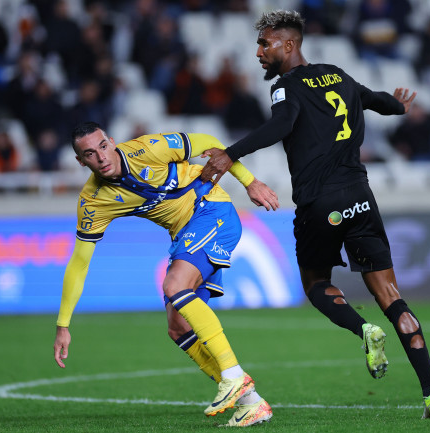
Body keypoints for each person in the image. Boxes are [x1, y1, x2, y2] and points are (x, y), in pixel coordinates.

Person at [200, 10, 430, 418]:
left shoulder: (285, 87)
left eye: (265, 44)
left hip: (320, 203)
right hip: (361, 197)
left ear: (289, 45)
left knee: (316, 283)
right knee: (390, 294)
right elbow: (377, 101)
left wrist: (230, 154)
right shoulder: (338, 75)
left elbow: (281, 125)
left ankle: (362, 328)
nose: (259, 52)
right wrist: (400, 107)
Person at [52, 121, 279, 427]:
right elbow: (79, 263)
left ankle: (233, 374)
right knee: (177, 327)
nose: (101, 157)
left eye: (103, 146)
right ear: (81, 161)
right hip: (185, 235)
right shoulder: (93, 201)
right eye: (90, 154)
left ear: (112, 142)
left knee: (174, 285)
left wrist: (250, 182)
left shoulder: (148, 149)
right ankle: (251, 403)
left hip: (211, 209)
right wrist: (63, 325)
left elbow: (207, 141)